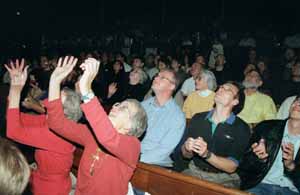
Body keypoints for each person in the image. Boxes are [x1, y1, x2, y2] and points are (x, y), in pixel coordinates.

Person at [47, 57, 147, 195]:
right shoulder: (92, 134)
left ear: (130, 126)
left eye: (124, 108)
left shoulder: (132, 146)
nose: (115, 106)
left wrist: (87, 91)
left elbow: (108, 138)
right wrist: (54, 81)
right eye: (117, 103)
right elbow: (56, 123)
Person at [6, 59, 81, 195]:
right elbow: (15, 118)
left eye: (56, 100)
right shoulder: (54, 123)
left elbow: (13, 132)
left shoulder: (59, 135)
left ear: (64, 113)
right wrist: (14, 88)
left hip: (51, 189)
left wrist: (16, 90)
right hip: (40, 177)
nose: (51, 100)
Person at [173, 81, 251, 188]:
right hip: (194, 172)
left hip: (224, 179)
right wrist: (187, 148)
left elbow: (232, 167)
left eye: (227, 89)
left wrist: (207, 154)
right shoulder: (198, 118)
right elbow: (186, 155)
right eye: (221, 86)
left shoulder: (241, 128)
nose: (221, 89)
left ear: (235, 101)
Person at [239, 96, 300, 195]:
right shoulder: (266, 128)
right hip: (261, 186)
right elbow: (243, 166)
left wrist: (290, 166)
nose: (298, 104)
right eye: (297, 100)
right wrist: (260, 159)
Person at [140, 69, 186, 167]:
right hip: (131, 154)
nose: (156, 78)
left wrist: (137, 159)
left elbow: (164, 150)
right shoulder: (142, 106)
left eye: (162, 77)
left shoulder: (177, 116)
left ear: (172, 86)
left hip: (153, 164)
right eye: (157, 75)